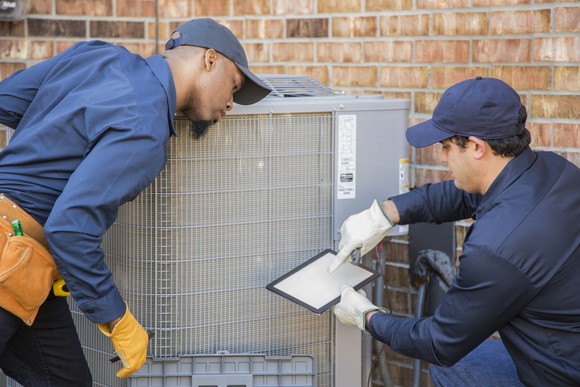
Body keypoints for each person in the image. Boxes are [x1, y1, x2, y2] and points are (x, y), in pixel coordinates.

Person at [0, 17, 271, 386]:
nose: (230, 103)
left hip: (29, 268)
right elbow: (70, 228)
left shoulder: (96, 56)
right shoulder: (146, 128)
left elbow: (7, 99)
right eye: (233, 85)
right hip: (10, 255)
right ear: (210, 60)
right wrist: (118, 320)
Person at [330, 77, 580, 386]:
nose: (442, 157)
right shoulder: (553, 171)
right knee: (458, 366)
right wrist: (384, 214)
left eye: (447, 147)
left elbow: (440, 342)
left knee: (450, 362)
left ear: (476, 147)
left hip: (559, 376)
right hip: (567, 345)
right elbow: (463, 194)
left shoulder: (495, 248)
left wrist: (367, 317)